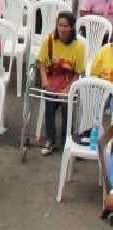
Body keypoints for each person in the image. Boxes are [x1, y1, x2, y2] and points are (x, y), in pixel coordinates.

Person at [35, 10, 85, 156]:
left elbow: (78, 72)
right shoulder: (49, 41)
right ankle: (50, 139)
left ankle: (66, 141)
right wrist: (44, 80)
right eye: (60, 25)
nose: (62, 29)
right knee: (49, 100)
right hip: (52, 78)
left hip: (69, 80)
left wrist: (68, 89)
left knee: (66, 104)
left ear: (72, 28)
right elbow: (42, 62)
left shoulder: (78, 47)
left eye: (66, 26)